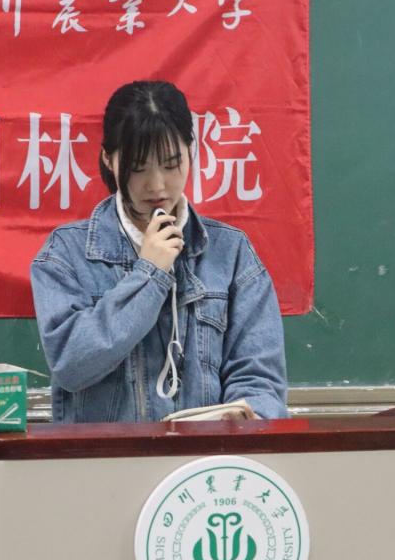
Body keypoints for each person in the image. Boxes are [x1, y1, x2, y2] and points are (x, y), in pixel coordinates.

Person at [30, 81, 288, 423]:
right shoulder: (66, 253)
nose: (157, 185)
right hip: (102, 456)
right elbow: (71, 365)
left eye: (170, 164)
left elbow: (260, 381)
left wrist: (244, 421)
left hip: (204, 455)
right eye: (138, 168)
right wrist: (149, 274)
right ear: (108, 159)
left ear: (190, 151)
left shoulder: (232, 254)